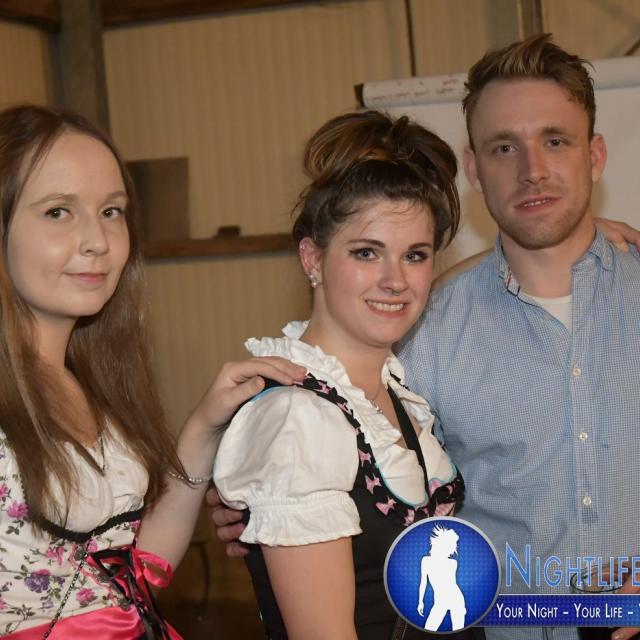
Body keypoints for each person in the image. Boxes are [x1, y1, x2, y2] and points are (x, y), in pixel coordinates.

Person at [211, 34, 640, 640]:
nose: (533, 170)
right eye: (504, 147)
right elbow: (342, 481)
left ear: (594, 155)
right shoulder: (417, 334)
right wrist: (257, 503)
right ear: (474, 169)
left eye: (555, 141)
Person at [0, 104, 304, 638]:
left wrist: (204, 427)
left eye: (111, 211)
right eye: (58, 212)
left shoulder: (89, 385)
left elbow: (133, 578)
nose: (98, 240)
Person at [212, 109, 468, 640]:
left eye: (415, 255)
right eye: (367, 252)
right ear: (313, 258)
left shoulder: (392, 393)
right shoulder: (297, 419)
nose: (395, 280)